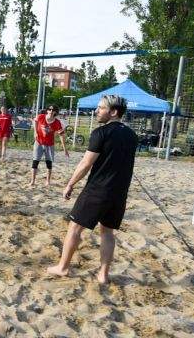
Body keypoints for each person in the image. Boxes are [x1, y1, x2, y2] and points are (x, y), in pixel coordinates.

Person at [47, 95, 137, 284]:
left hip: (98, 189)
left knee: (74, 228)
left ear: (113, 112)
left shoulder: (101, 133)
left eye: (101, 108)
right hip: (119, 193)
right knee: (107, 232)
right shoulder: (131, 135)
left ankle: (63, 267)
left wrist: (70, 184)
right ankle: (103, 275)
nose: (96, 111)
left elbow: (86, 163)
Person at [29, 105, 70, 187]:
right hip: (39, 143)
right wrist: (35, 132)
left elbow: (61, 135)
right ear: (47, 110)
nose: (51, 111)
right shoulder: (41, 116)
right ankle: (32, 181)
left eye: (53, 110)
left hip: (49, 145)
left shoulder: (57, 122)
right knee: (35, 161)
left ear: (55, 112)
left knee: (49, 163)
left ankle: (48, 181)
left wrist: (65, 149)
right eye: (49, 109)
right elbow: (35, 121)